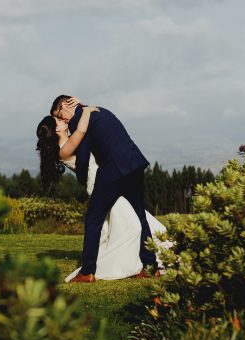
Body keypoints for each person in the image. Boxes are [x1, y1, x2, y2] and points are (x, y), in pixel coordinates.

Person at [37, 95, 163, 283]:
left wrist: (83, 108)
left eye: (59, 114)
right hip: (134, 164)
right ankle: (151, 267)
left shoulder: (82, 119)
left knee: (93, 219)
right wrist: (84, 107)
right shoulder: (96, 112)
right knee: (140, 217)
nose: (62, 119)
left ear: (65, 106)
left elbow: (83, 156)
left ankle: (88, 271)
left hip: (112, 172)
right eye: (58, 119)